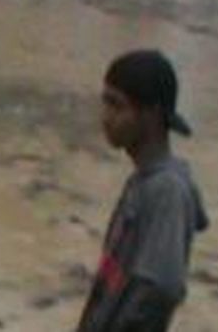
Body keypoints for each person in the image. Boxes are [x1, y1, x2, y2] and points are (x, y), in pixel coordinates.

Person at [77, 49, 209, 332]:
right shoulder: (143, 182)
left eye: (117, 106)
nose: (106, 117)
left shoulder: (166, 191)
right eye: (106, 103)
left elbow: (161, 288)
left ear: (151, 115)